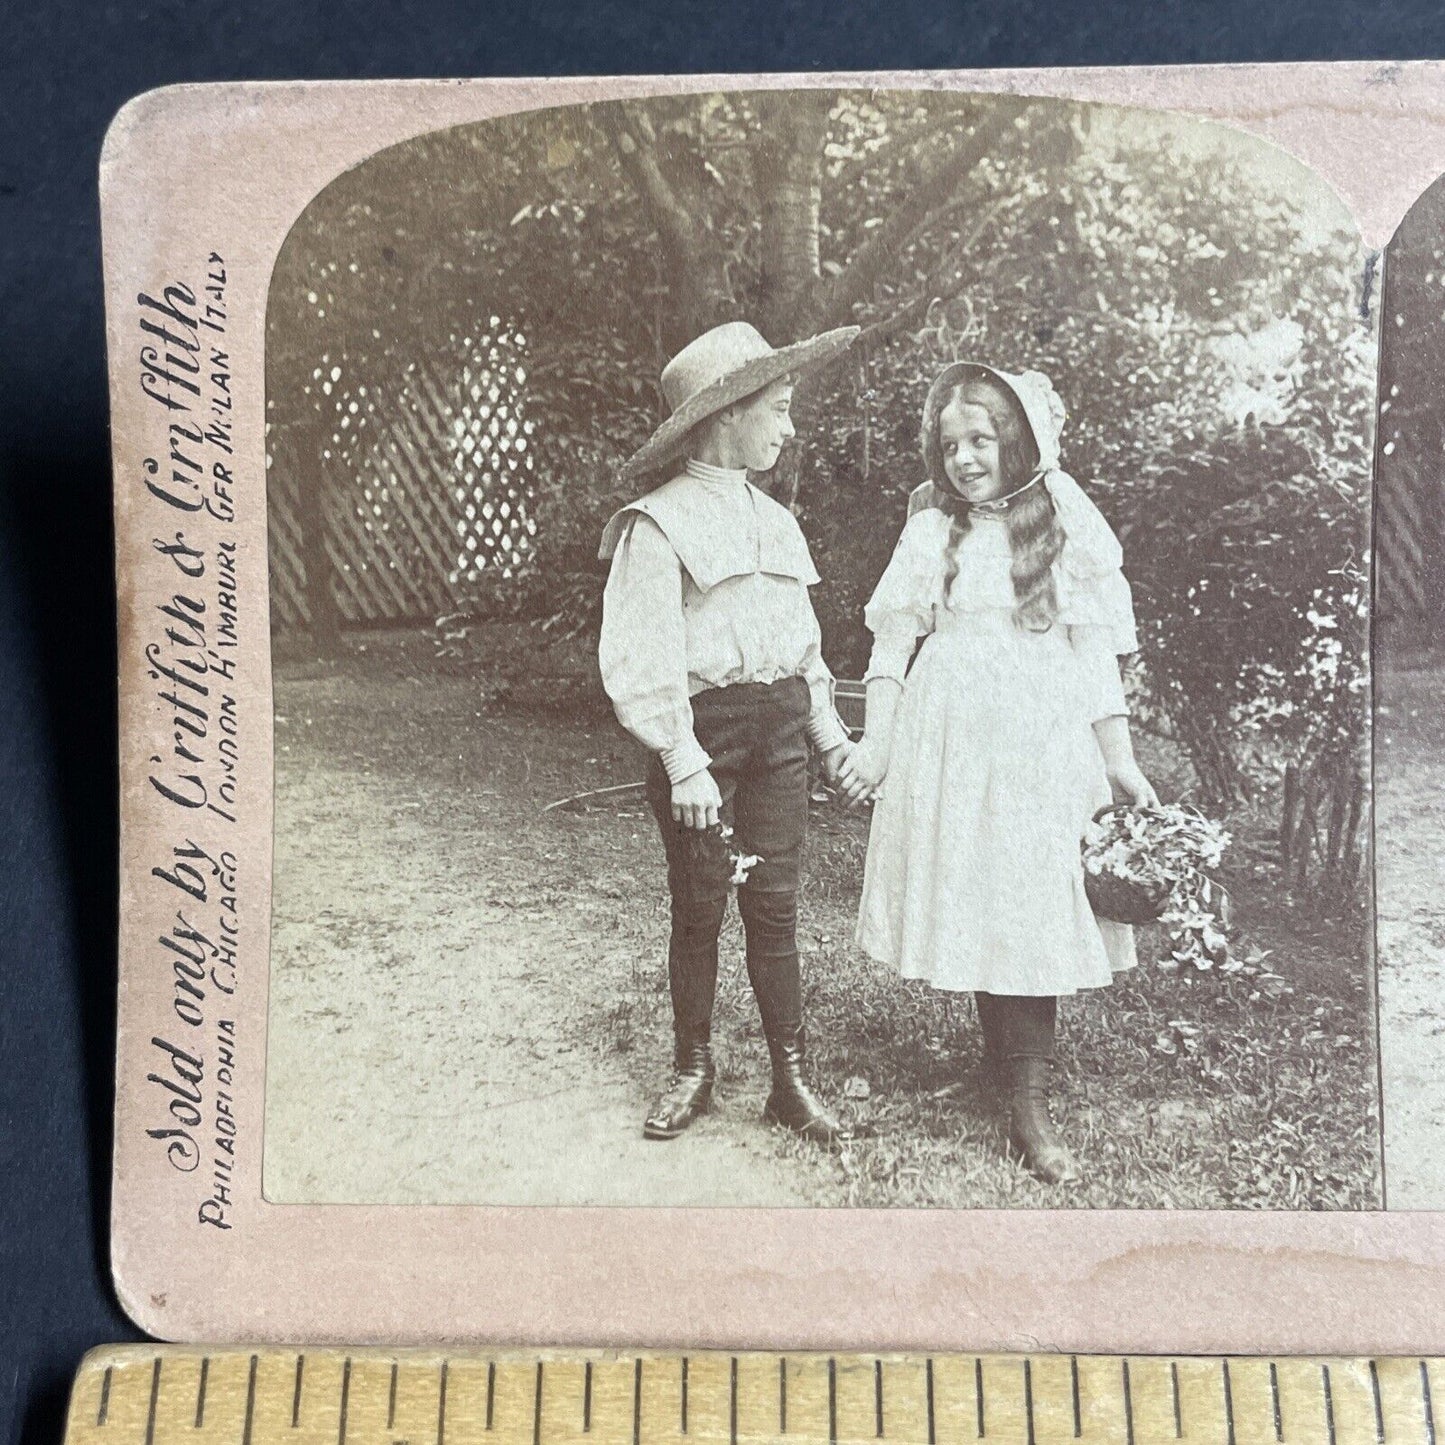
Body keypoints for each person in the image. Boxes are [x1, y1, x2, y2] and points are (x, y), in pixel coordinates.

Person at [836, 362, 1158, 1185]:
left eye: (981, 439)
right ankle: (998, 1063)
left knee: (1028, 889)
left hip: (1037, 732)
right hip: (950, 728)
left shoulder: (1062, 521)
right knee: (979, 885)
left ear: (1018, 441)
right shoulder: (929, 529)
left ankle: (1028, 1102)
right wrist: (877, 743)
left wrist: (1117, 759)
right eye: (949, 444)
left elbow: (1092, 649)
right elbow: (890, 638)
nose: (964, 458)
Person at [598, 319, 860, 1144]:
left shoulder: (777, 524)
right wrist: (681, 760)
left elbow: (804, 651)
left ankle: (789, 1078)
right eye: (777, 409)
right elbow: (644, 654)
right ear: (725, 418)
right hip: (702, 740)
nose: (788, 427)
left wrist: (831, 739)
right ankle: (693, 1067)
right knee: (701, 903)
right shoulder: (656, 525)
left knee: (775, 905)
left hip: (779, 731)